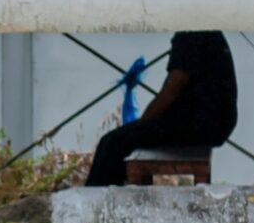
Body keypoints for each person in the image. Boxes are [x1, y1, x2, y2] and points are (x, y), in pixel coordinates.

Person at [85, 30, 239, 187]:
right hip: (214, 121)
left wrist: (142, 124)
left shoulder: (191, 31)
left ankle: (93, 205)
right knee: (119, 141)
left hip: (201, 121)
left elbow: (173, 88)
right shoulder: (206, 29)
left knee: (112, 144)